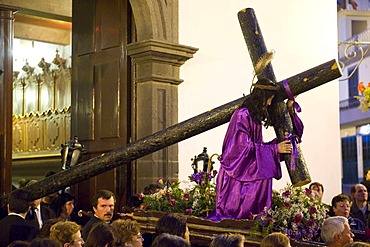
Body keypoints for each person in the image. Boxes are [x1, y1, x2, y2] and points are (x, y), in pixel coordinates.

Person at [211, 78, 301, 219]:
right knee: (263, 170)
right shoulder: (242, 115)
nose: (270, 103)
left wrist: (290, 108)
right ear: (262, 97)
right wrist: (274, 149)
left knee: (265, 167)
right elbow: (239, 148)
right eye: (269, 99)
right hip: (237, 173)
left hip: (245, 168)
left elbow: (255, 146)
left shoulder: (254, 117)